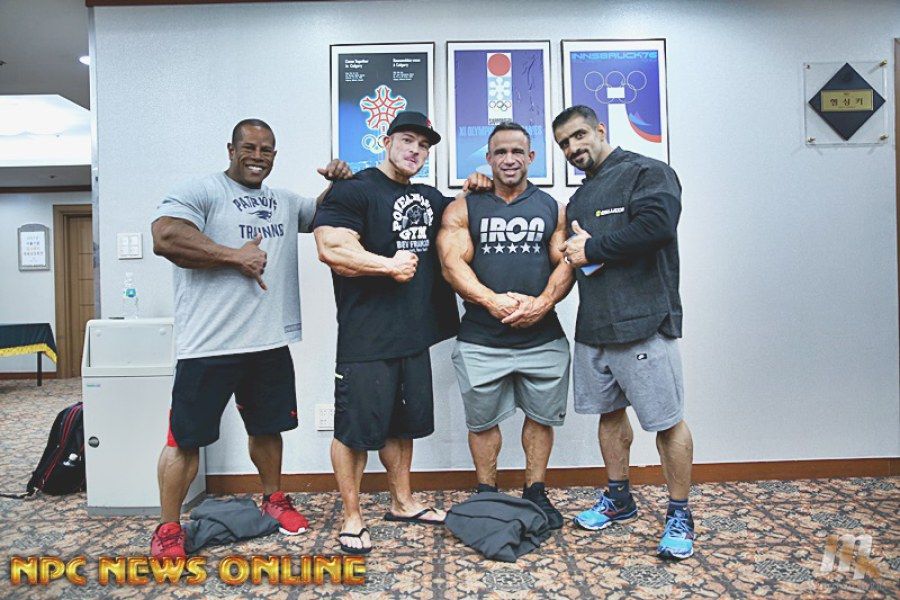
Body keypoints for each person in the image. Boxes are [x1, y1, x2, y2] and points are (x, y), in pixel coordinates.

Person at [149, 118, 351, 558]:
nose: (258, 156)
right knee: (184, 440)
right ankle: (168, 527)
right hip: (208, 346)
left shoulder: (284, 202)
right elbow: (164, 236)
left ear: (274, 155)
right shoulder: (202, 191)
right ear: (231, 149)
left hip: (268, 342)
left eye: (266, 150)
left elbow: (323, 213)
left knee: (267, 429)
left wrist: (337, 183)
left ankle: (274, 499)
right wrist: (233, 257)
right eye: (250, 147)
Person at [313, 111, 488, 554]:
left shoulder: (428, 197)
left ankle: (403, 502)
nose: (416, 150)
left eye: (424, 145)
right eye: (407, 140)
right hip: (366, 337)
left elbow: (460, 218)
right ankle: (352, 517)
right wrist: (387, 265)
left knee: (401, 426)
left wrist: (476, 188)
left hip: (413, 333)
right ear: (386, 142)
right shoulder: (354, 190)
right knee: (353, 430)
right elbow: (331, 246)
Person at [553, 105, 696, 560]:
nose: (573, 148)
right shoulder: (581, 196)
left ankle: (680, 512)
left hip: (644, 323)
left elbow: (657, 228)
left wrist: (592, 248)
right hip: (595, 326)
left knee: (666, 423)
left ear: (600, 129)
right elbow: (578, 257)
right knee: (609, 415)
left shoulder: (647, 172)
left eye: (579, 135)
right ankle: (619, 498)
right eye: (564, 144)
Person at [437, 122, 573, 529]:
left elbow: (567, 262)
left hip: (543, 336)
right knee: (482, 422)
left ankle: (536, 492)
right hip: (481, 338)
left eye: (517, 152)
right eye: (500, 152)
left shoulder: (552, 208)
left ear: (531, 157)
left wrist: (542, 303)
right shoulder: (465, 206)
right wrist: (490, 300)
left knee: (541, 417)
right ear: (489, 158)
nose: (509, 159)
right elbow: (451, 264)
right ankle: (487, 492)